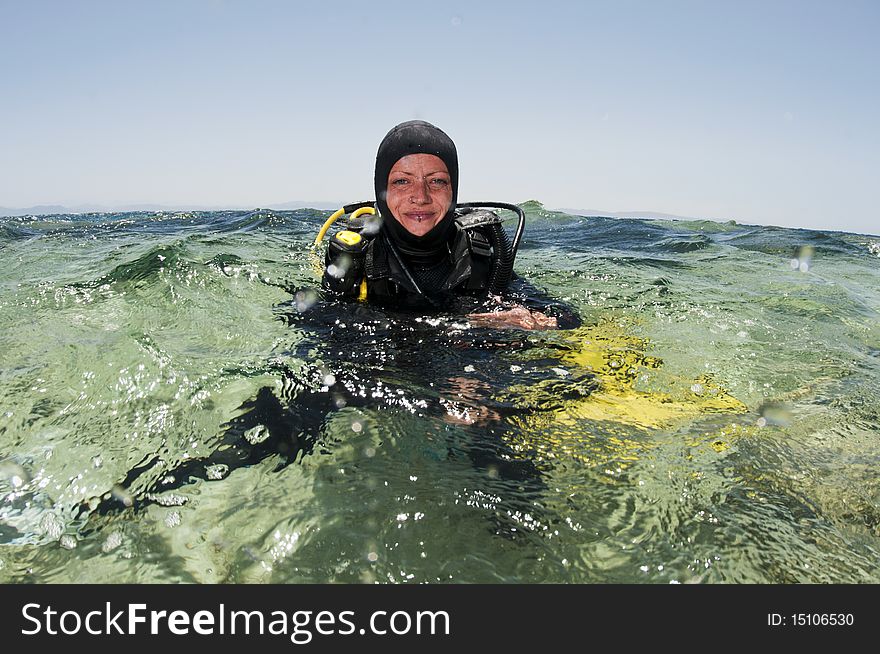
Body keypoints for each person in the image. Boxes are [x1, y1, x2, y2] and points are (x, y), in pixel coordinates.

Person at [322, 120, 576, 330]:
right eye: (402, 182)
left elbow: (567, 318)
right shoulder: (357, 257)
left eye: (437, 182)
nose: (420, 197)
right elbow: (317, 324)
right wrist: (461, 323)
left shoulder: (480, 255)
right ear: (381, 190)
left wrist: (539, 321)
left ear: (453, 189)